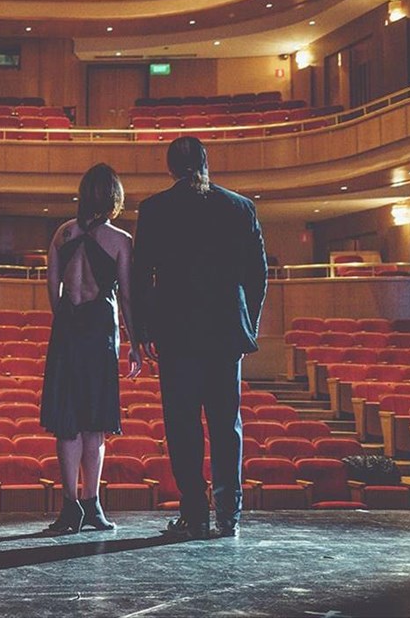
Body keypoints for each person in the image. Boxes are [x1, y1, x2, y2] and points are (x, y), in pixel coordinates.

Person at [132, 136, 267, 540]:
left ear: (170, 168)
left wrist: (145, 330)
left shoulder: (155, 209)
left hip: (177, 335)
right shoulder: (240, 207)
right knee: (227, 425)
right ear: (207, 163)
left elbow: (141, 276)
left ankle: (194, 512)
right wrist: (248, 324)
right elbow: (257, 275)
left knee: (183, 425)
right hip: (225, 334)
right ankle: (229, 514)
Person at [41, 163, 142, 534]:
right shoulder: (120, 240)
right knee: (94, 425)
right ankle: (92, 503)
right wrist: (135, 343)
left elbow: (53, 289)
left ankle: (70, 507)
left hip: (68, 328)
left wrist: (67, 321)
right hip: (100, 334)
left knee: (67, 423)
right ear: (114, 198)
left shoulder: (62, 233)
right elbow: (127, 297)